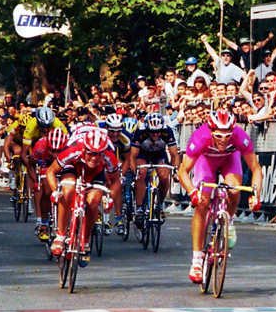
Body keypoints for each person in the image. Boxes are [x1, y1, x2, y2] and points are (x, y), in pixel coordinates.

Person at [177, 110, 263, 284]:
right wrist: (193, 192)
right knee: (202, 204)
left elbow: (256, 170)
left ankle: (229, 220)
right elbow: (182, 171)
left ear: (233, 131)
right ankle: (196, 261)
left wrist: (256, 195)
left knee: (234, 190)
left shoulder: (240, 136)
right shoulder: (200, 137)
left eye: (227, 135)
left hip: (230, 160)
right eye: (218, 135)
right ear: (210, 130)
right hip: (206, 162)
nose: (223, 139)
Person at [47, 129, 119, 267]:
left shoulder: (109, 157)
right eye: (91, 153)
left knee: (93, 204)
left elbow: (116, 181)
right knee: (68, 191)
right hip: (73, 167)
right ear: (84, 149)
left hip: (95, 174)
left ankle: (85, 241)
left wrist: (110, 197)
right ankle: (61, 236)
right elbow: (51, 170)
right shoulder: (73, 150)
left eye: (99, 154)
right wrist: (56, 191)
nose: (95, 157)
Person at [129, 113, 180, 226]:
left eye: (158, 132)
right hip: (142, 154)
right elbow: (132, 156)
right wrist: (134, 173)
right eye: (152, 132)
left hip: (159, 154)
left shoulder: (168, 131)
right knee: (141, 174)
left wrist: (176, 171)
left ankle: (159, 206)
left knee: (164, 177)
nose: (155, 134)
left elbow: (174, 154)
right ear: (147, 130)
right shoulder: (140, 132)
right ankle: (139, 209)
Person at [27, 128, 68, 242]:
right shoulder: (40, 146)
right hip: (46, 163)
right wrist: (36, 179)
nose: (55, 155)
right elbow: (30, 165)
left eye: (58, 151)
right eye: (52, 151)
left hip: (64, 162)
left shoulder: (70, 147)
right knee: (47, 190)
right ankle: (43, 223)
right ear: (47, 146)